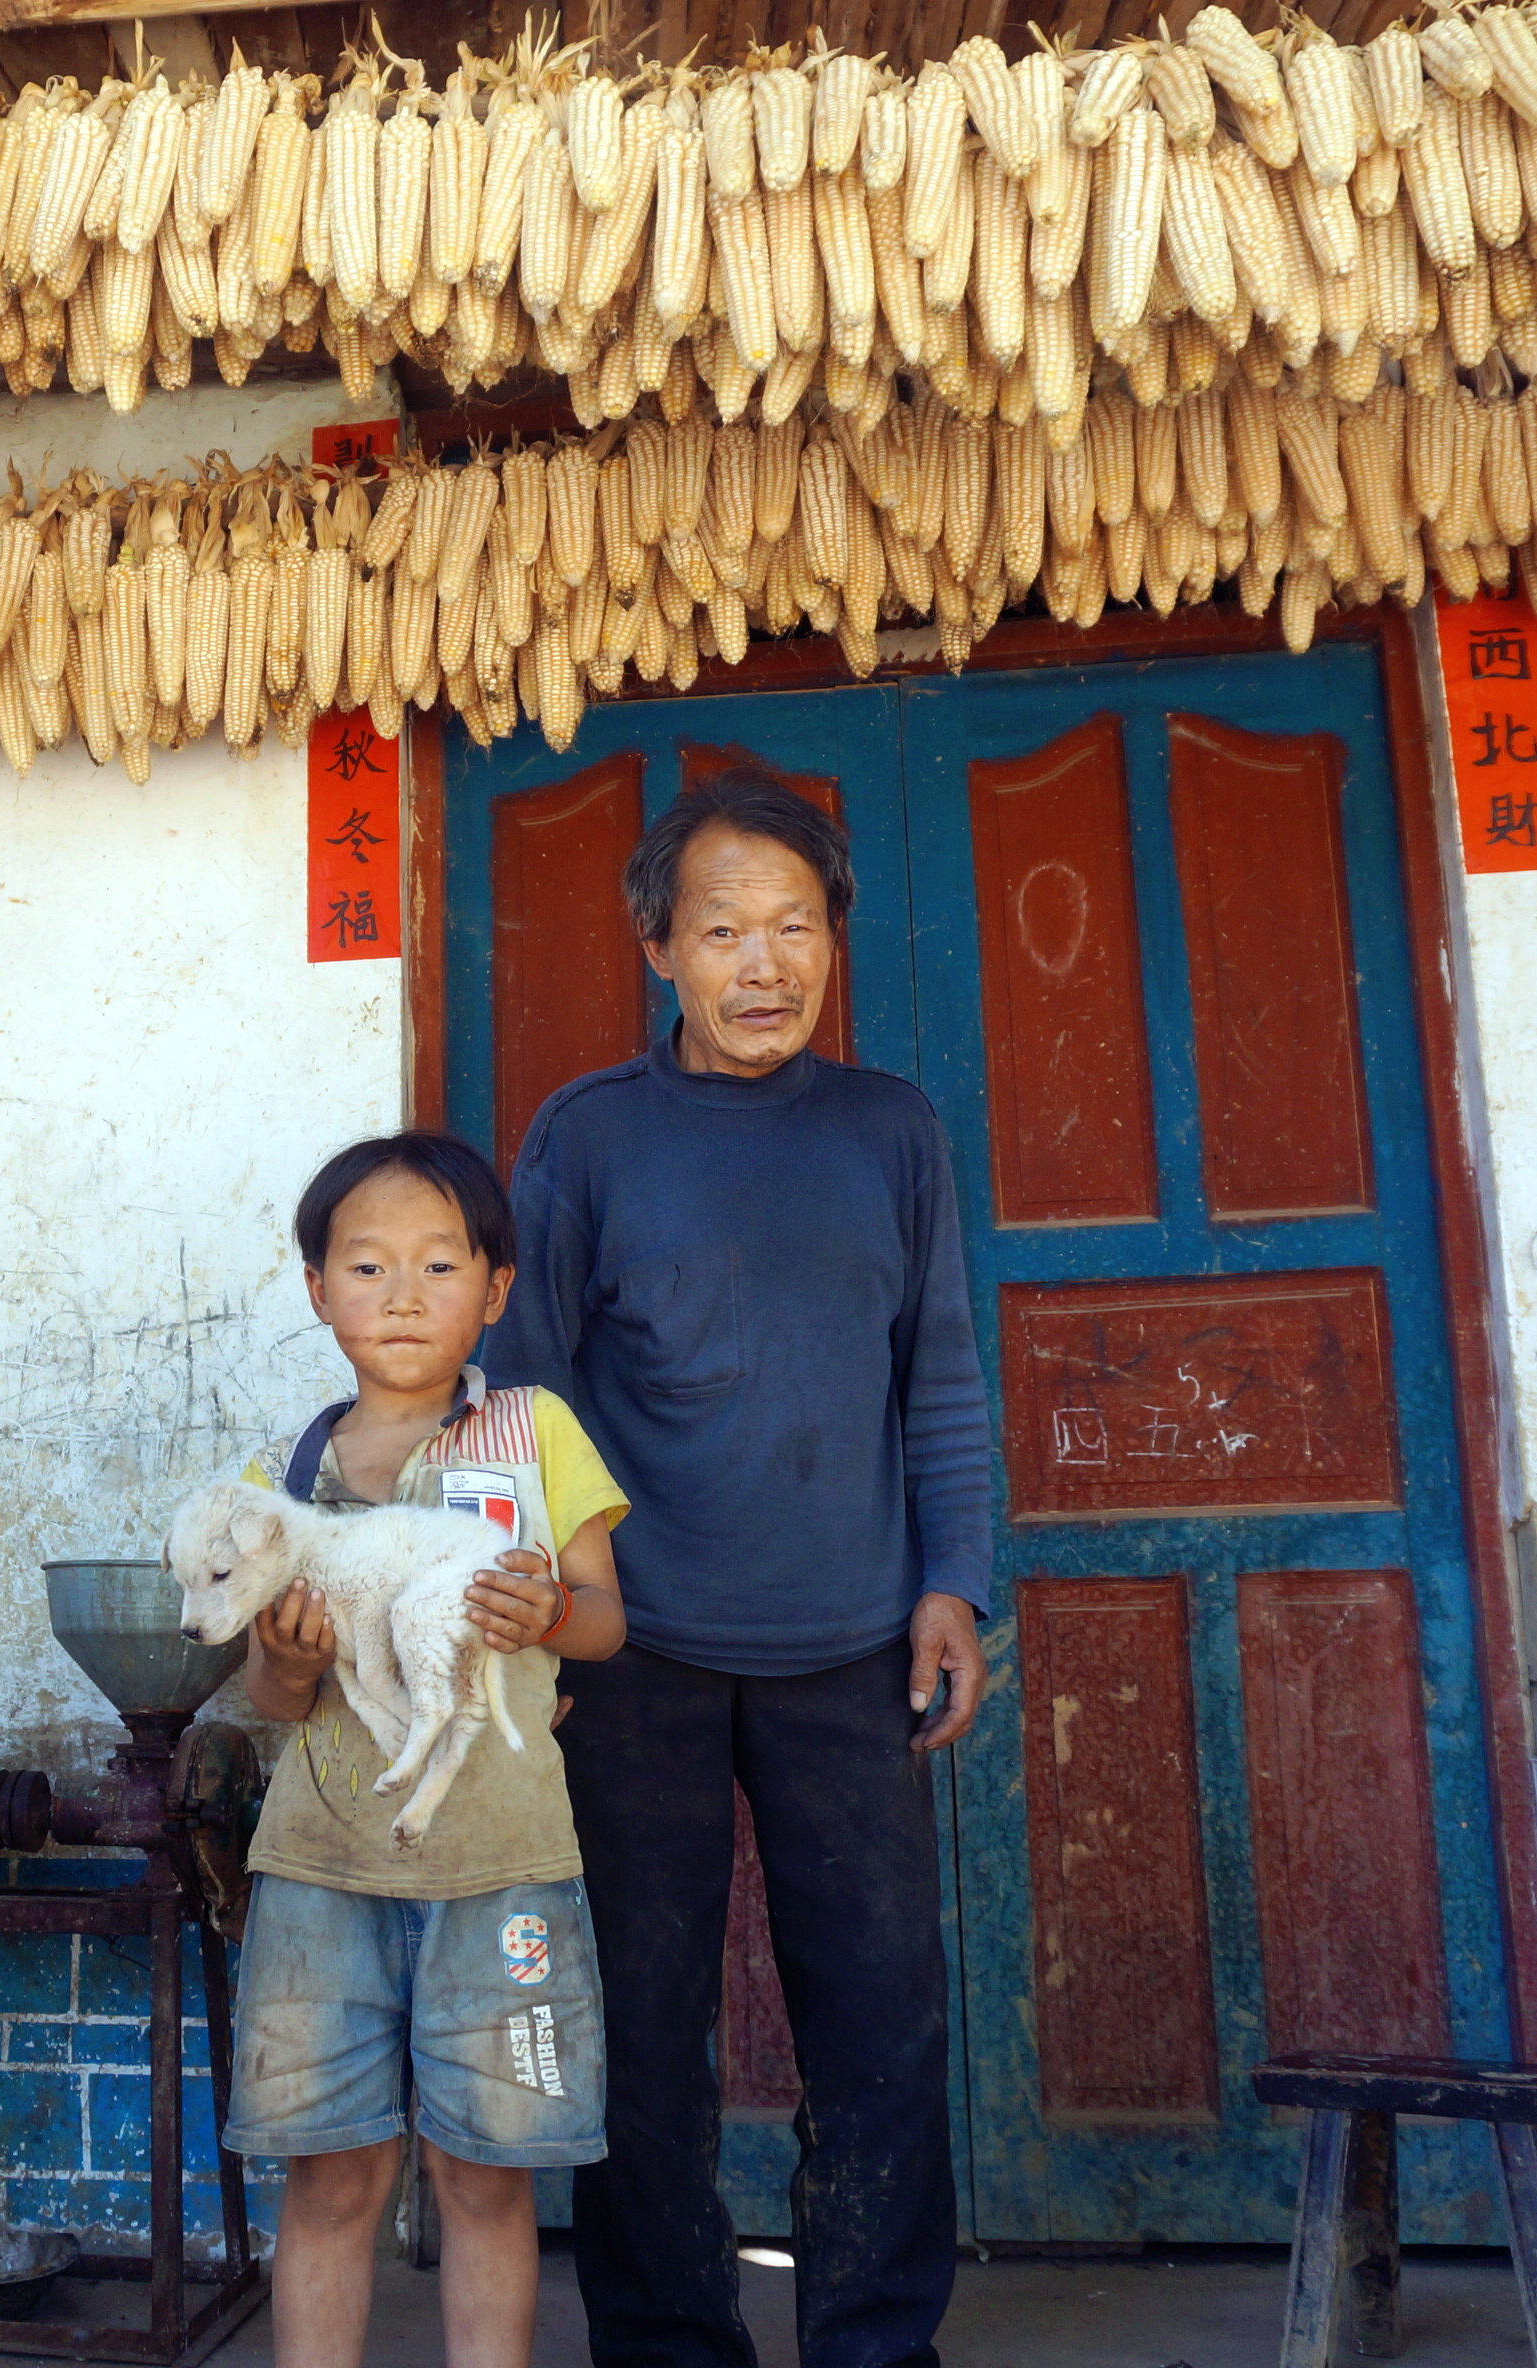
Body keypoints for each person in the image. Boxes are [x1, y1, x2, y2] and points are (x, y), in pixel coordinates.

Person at [484, 770, 996, 2368]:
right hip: (635, 1655)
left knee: (883, 2021)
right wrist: (542, 1632)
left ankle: (873, 2340)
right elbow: (527, 1396)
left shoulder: (891, 1130)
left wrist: (955, 1585)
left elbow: (946, 1379)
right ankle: (664, 2341)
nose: (762, 964)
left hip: (853, 1647)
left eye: (794, 927)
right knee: (642, 2028)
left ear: (834, 941)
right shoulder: (590, 1133)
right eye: (724, 930)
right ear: (660, 946)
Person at [223, 1133, 634, 2368]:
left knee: (483, 2179)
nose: (402, 1294)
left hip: (501, 1865)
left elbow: (605, 1618)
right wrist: (290, 1660)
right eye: (366, 1265)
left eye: (438, 1263)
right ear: (316, 1288)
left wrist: (546, 1614)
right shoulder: (284, 1480)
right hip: (321, 1874)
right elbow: (265, 1696)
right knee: (331, 2180)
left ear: (494, 1288)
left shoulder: (533, 1430)